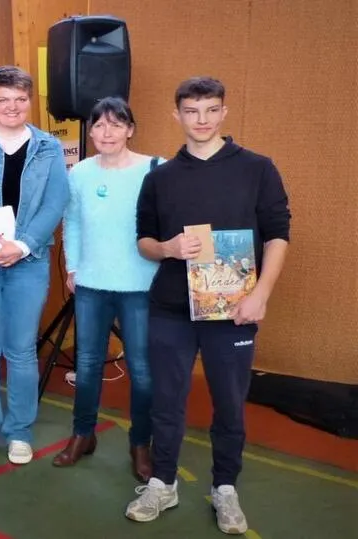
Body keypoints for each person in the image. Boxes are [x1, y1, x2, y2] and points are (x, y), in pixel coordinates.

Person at [127, 77, 290, 535]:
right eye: (192, 111)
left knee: (229, 404)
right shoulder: (159, 178)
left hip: (234, 311)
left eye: (210, 110)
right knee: (166, 401)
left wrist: (260, 295)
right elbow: (142, 241)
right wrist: (169, 248)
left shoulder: (258, 168)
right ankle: (162, 481)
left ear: (223, 112)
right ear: (175, 115)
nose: (201, 120)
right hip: (171, 309)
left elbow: (278, 234)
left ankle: (225, 487)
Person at [0, 65, 69, 465]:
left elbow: (56, 202)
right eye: (3, 100)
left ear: (30, 102)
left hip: (30, 260)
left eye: (21, 100)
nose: (12, 107)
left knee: (21, 351)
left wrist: (23, 244)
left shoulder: (48, 147)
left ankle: (19, 430)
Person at [54, 96, 161, 481]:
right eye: (98, 125)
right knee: (86, 366)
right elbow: (74, 224)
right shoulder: (80, 172)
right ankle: (82, 435)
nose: (106, 132)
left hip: (140, 285)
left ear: (130, 129)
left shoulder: (155, 169)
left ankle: (140, 445)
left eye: (116, 124)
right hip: (92, 285)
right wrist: (73, 268)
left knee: (143, 370)